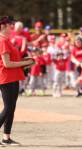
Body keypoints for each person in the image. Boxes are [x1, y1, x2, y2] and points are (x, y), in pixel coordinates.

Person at [0, 16, 34, 145]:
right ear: (3, 27)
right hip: (6, 77)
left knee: (11, 108)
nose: (12, 28)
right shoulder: (2, 41)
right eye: (10, 25)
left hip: (13, 76)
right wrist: (23, 63)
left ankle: (6, 137)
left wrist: (26, 62)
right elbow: (7, 64)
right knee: (8, 107)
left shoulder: (7, 40)